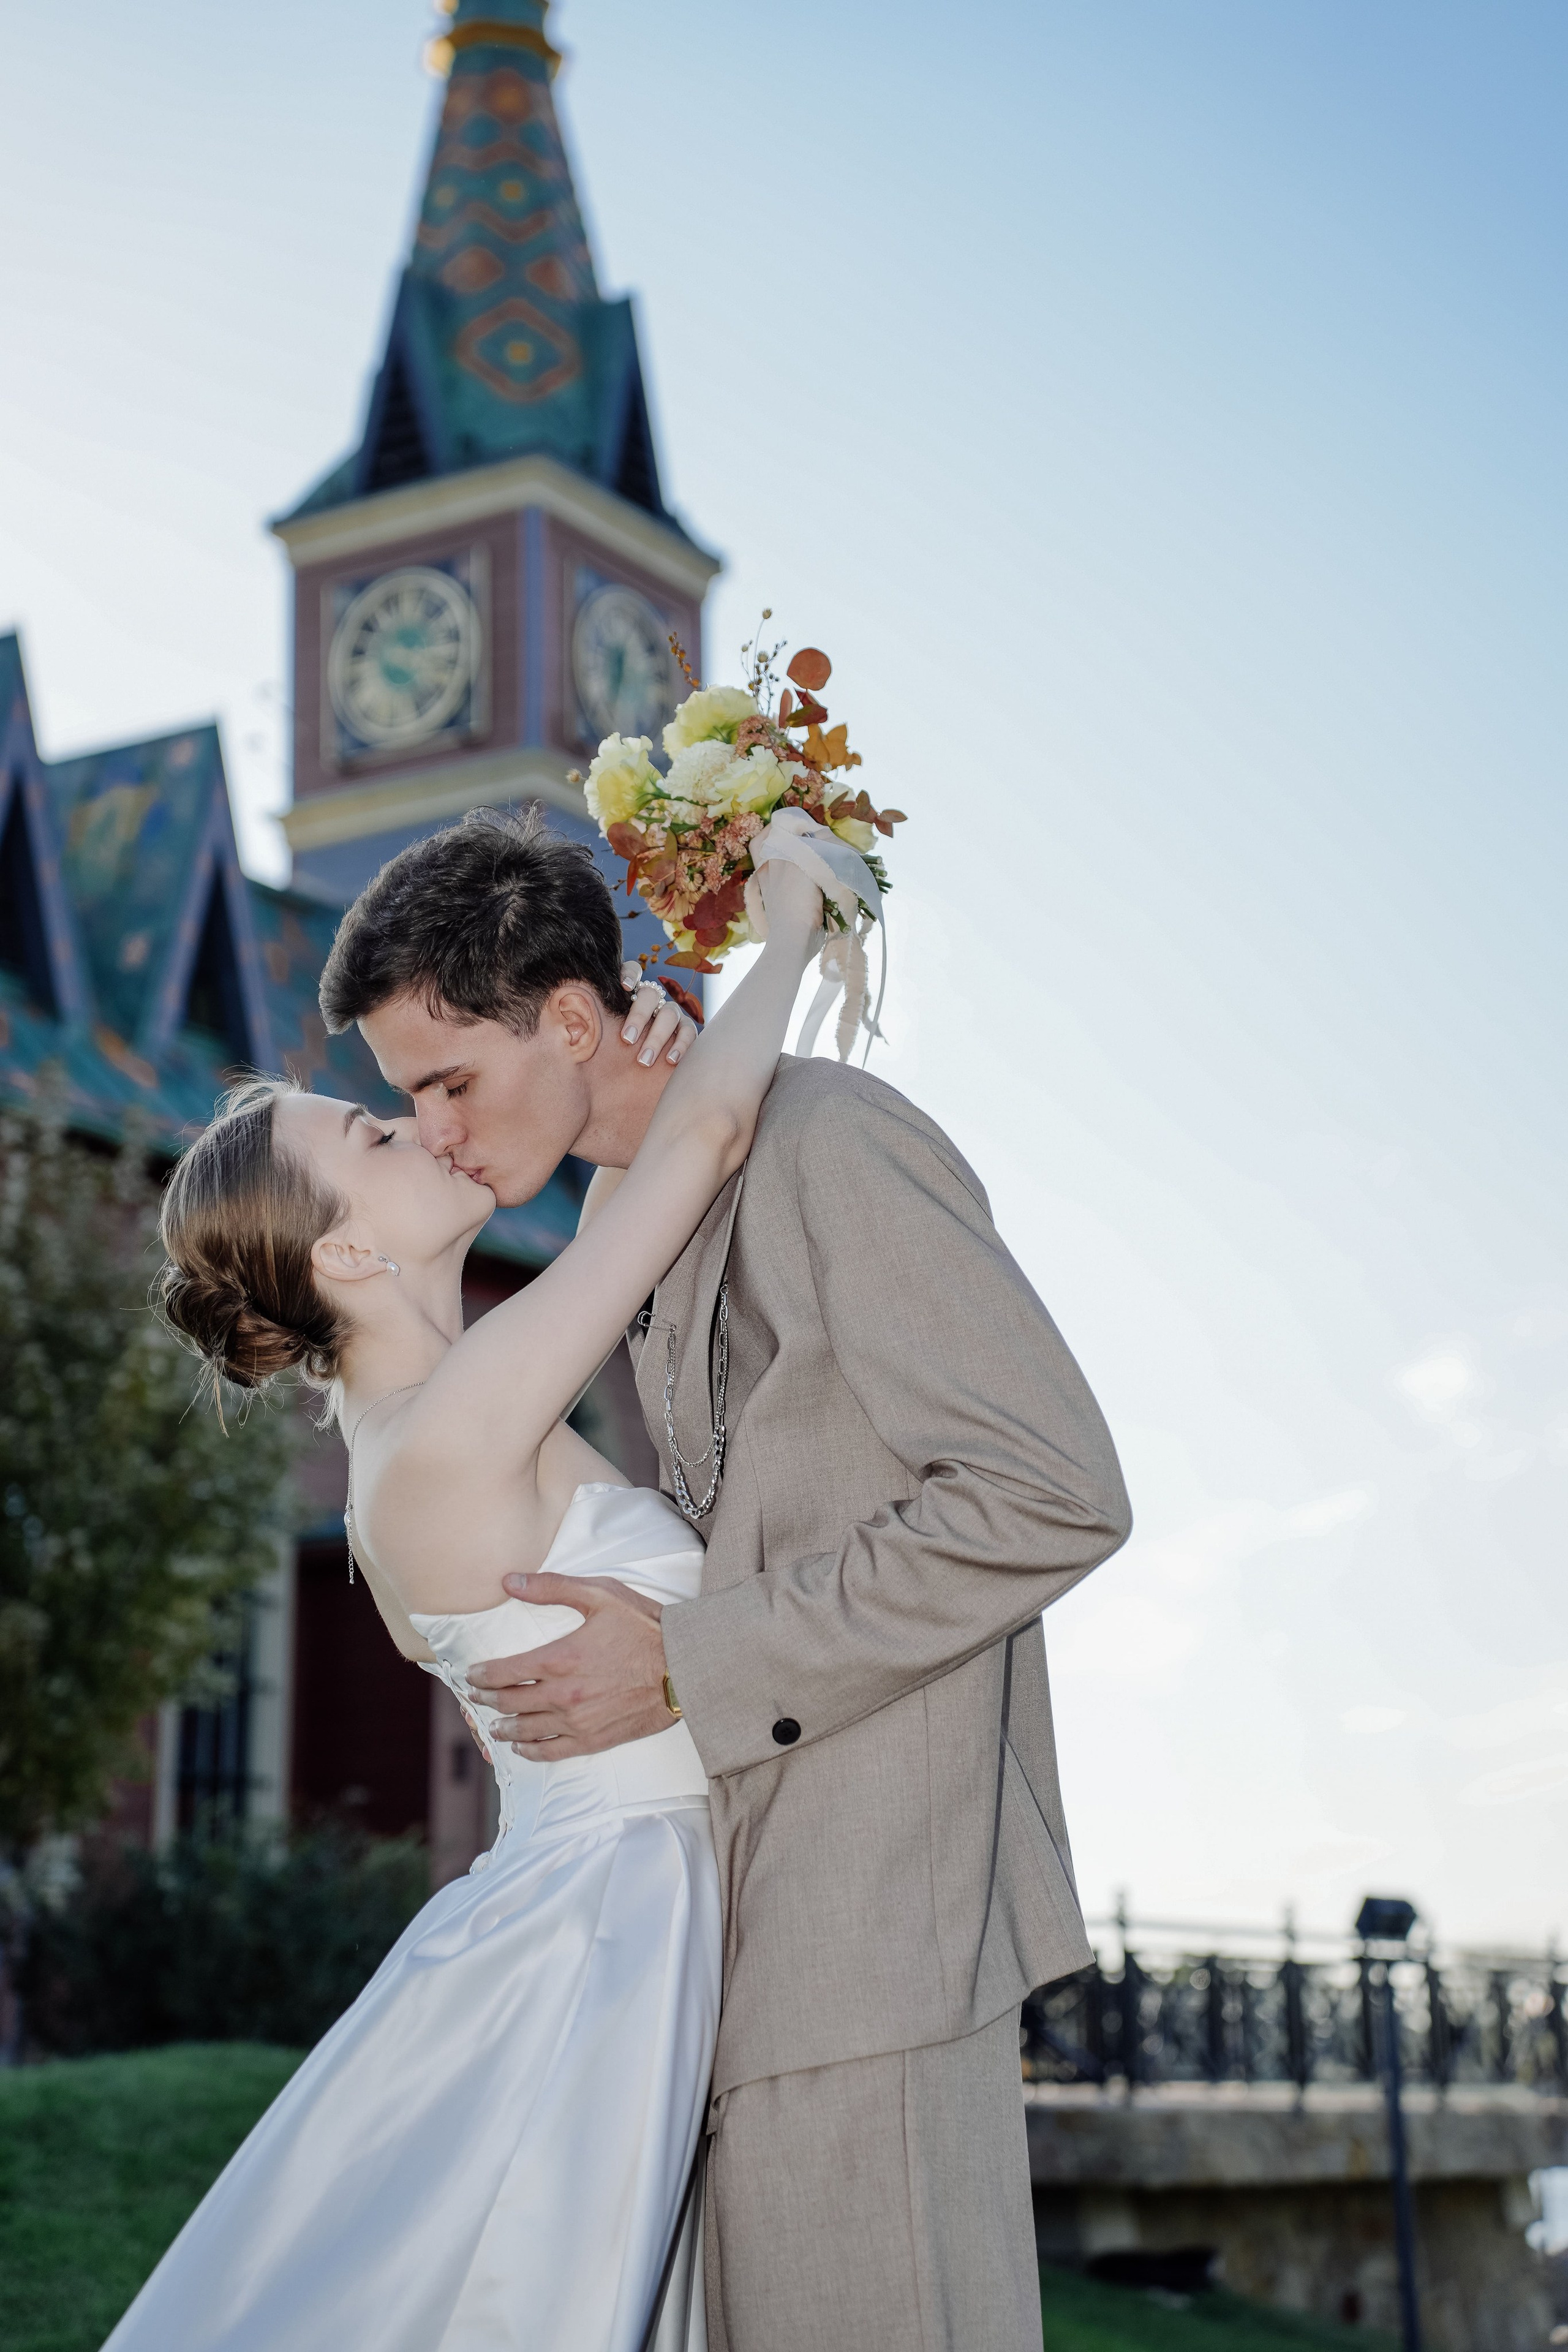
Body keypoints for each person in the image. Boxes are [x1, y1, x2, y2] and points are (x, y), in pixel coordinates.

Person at [318, 809, 1134, 2352]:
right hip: (717, 1966)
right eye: (404, 1100)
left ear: (573, 1022)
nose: (431, 1131)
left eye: (450, 1083)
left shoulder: (829, 1140)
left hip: (873, 1938)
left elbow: (1050, 1492)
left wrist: (690, 1663)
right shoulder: (635, 1225)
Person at [103, 837, 826, 2352]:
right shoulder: (442, 1434)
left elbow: (642, 1160)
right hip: (604, 1939)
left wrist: (625, 1044)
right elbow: (699, 1146)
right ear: (346, 1246)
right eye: (377, 1131)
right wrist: (796, 932)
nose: (427, 1128)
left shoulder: (443, 1408)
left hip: (626, 1904)